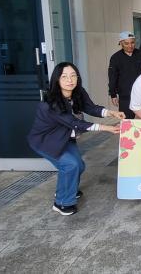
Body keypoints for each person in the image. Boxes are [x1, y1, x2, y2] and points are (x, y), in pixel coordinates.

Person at [28, 62, 123, 216]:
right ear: (57, 79)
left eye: (73, 76)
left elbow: (90, 107)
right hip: (46, 141)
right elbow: (75, 123)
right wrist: (106, 128)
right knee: (70, 165)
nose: (70, 80)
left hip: (65, 137)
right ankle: (62, 202)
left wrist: (111, 113)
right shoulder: (51, 103)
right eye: (64, 77)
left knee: (79, 166)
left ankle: (68, 189)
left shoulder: (78, 92)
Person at [108, 31, 141, 119]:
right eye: (126, 43)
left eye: (132, 43)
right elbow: (112, 77)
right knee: (127, 121)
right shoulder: (115, 58)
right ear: (121, 43)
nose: (130, 46)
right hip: (125, 96)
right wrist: (113, 94)